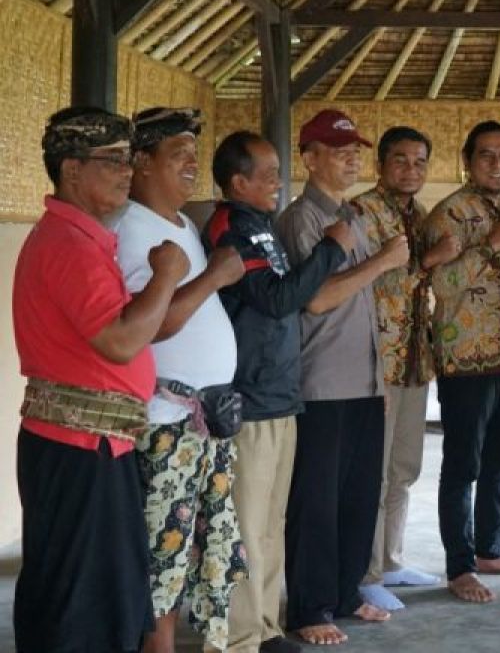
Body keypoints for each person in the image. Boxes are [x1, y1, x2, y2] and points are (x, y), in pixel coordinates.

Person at [12, 107, 188, 653]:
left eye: (127, 161)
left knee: (98, 594)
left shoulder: (85, 240)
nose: (126, 173)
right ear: (71, 170)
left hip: (93, 445)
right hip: (78, 448)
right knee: (79, 603)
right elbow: (118, 341)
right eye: (112, 162)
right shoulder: (69, 244)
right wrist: (166, 276)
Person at [203, 130, 352, 653]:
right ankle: (239, 637)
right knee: (245, 526)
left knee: (270, 525)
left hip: (278, 395)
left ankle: (265, 627)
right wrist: (333, 248)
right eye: (267, 174)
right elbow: (277, 299)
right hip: (249, 399)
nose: (277, 182)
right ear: (238, 182)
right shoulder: (231, 228)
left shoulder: (260, 227)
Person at [112, 106, 248, 653]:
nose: (193, 165)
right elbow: (154, 324)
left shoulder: (181, 225)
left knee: (198, 548)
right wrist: (214, 275)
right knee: (161, 558)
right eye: (179, 156)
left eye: (195, 155)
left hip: (203, 425)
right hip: (167, 425)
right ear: (141, 162)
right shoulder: (131, 228)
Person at [275, 109, 409, 646]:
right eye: (338, 149)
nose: (352, 156)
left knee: (358, 496)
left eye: (356, 148)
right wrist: (380, 262)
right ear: (309, 158)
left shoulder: (353, 214)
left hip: (364, 380)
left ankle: (346, 591)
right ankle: (309, 605)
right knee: (316, 500)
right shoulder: (301, 220)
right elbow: (316, 300)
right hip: (322, 382)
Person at [422, 120, 500, 604]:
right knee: (462, 465)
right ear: (468, 161)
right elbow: (440, 284)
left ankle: (492, 549)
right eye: (487, 155)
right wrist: (488, 245)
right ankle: (460, 566)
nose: (498, 164)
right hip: (465, 357)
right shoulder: (448, 213)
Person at [352, 126, 442, 611]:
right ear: (381, 165)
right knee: (375, 471)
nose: (411, 170)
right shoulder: (363, 212)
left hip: (413, 358)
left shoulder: (421, 214)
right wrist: (430, 261)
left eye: (420, 161)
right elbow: (378, 285)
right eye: (401, 160)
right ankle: (365, 573)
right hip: (377, 359)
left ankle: (390, 559)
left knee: (405, 466)